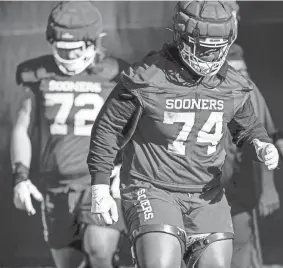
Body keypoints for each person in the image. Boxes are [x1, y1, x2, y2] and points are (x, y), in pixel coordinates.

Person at [87, 1, 279, 268]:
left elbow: (248, 125)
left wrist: (261, 143)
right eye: (203, 48)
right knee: (160, 263)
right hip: (153, 187)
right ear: (182, 38)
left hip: (206, 195)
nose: (210, 58)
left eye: (217, 49)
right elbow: (107, 129)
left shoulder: (232, 83)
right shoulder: (147, 77)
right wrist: (100, 186)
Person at [11, 2, 129, 268]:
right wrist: (20, 177)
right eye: (62, 49)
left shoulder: (117, 74)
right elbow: (22, 127)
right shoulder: (37, 73)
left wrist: (127, 168)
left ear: (94, 42)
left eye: (76, 49)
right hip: (56, 185)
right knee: (69, 263)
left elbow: (134, 126)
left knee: (99, 251)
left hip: (100, 182)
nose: (68, 57)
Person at [221, 2, 282, 267]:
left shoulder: (234, 59)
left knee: (240, 244)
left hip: (232, 179)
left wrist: (267, 187)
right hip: (188, 179)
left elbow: (260, 131)